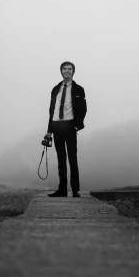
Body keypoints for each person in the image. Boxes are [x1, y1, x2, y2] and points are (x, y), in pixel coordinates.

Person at [44, 61, 87, 197]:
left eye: (69, 69)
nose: (67, 71)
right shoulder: (56, 89)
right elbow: (52, 111)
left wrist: (77, 125)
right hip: (56, 126)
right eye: (64, 69)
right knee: (61, 160)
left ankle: (75, 190)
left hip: (70, 126)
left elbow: (83, 109)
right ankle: (62, 190)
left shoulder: (78, 89)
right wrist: (49, 130)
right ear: (61, 71)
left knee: (72, 158)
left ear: (73, 71)